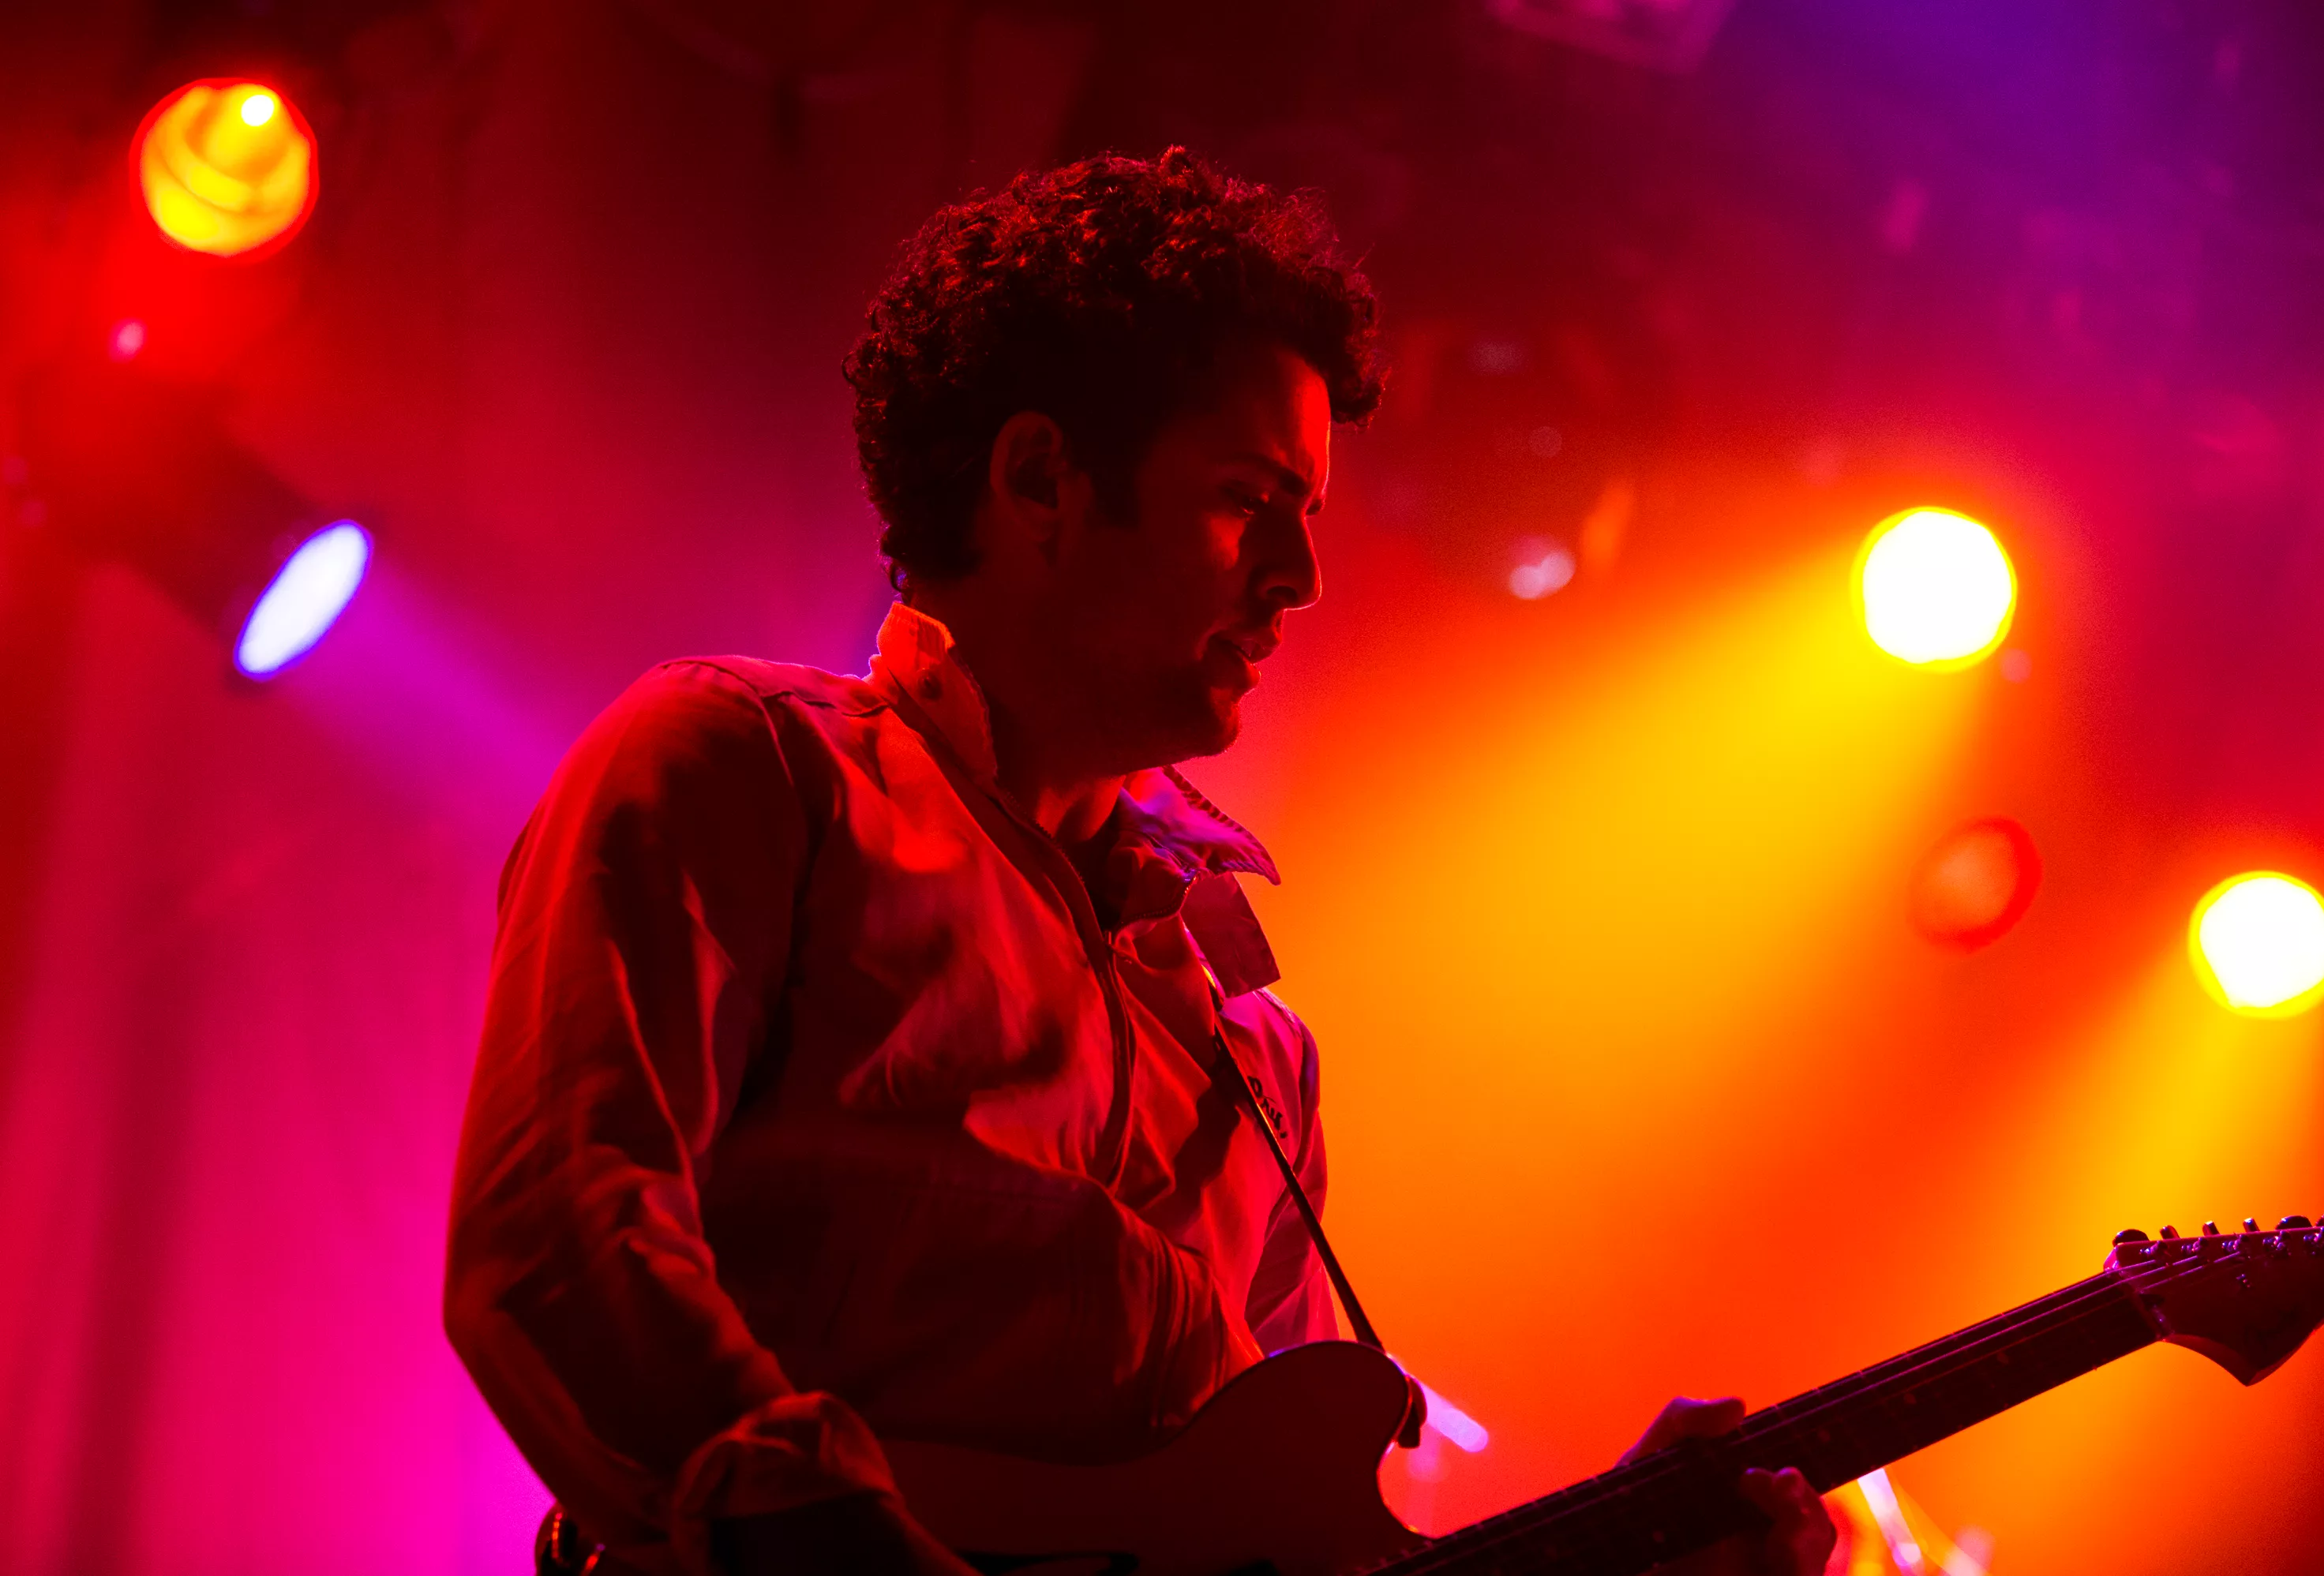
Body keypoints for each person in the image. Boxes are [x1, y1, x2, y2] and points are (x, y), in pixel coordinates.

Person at [444, 148, 1835, 1576]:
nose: (1300, 576)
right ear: (1041, 478)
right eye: (1247, 496)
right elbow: (560, 1247)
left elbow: (1301, 1558)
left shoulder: (1255, 1055)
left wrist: (1612, 1560)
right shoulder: (745, 765)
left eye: (1308, 514)